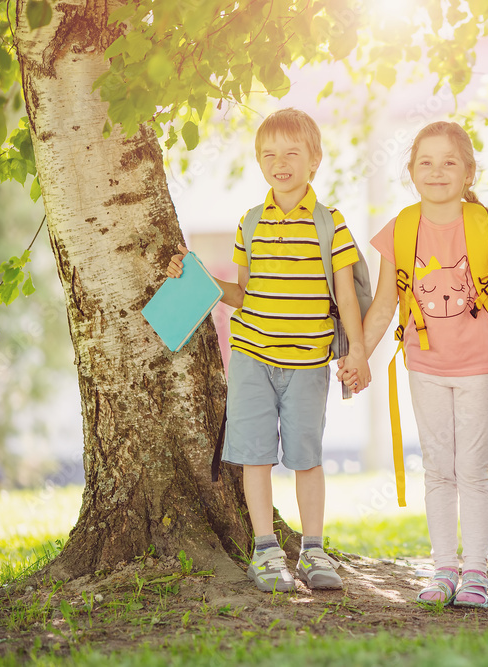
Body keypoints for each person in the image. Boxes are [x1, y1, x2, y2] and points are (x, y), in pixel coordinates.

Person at [166, 108, 369, 593]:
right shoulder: (249, 223)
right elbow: (241, 293)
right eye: (270, 154)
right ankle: (266, 552)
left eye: (292, 153)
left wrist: (357, 351)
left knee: (307, 457)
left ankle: (315, 552)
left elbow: (344, 295)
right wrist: (203, 278)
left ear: (314, 161)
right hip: (253, 359)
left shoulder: (330, 223)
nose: (281, 163)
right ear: (259, 161)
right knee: (255, 457)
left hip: (307, 364)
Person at [343, 121, 488, 608]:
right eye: (426, 162)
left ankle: (478, 573)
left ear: (468, 172)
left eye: (449, 162)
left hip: (481, 366)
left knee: (473, 469)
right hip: (424, 365)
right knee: (439, 469)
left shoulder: (483, 226)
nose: (437, 171)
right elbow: (383, 305)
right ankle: (444, 568)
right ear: (411, 171)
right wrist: (359, 355)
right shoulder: (401, 227)